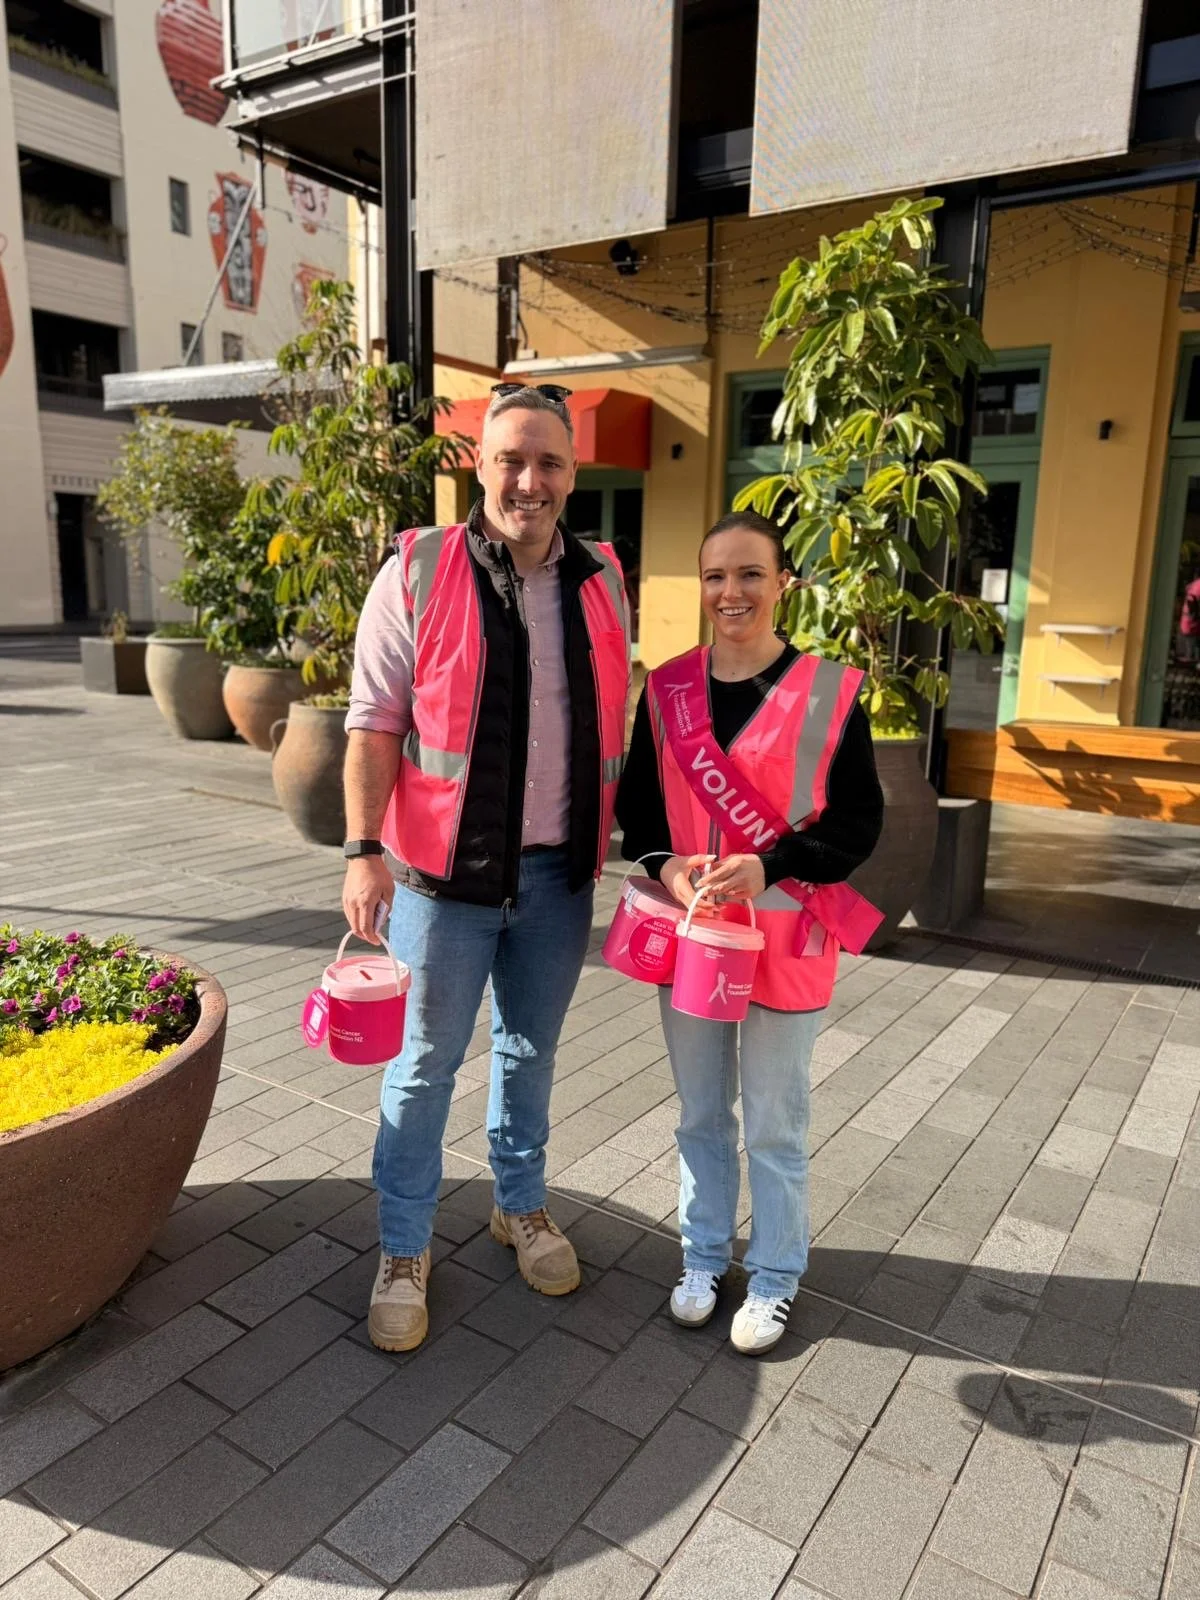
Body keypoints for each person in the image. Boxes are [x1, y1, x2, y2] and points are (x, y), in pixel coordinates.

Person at [342, 383, 630, 1352]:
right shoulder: (418, 569)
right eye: (511, 459)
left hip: (557, 879)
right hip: (439, 884)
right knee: (423, 1069)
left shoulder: (603, 577)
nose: (529, 480)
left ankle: (520, 1203)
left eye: (549, 462)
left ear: (573, 475)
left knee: (530, 1051)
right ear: (479, 465)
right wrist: (361, 851)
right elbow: (374, 722)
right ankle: (401, 1245)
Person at [616, 510, 883, 1355]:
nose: (731, 592)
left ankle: (773, 1274)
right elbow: (639, 811)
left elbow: (858, 824)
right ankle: (702, 1256)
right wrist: (667, 870)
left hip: (789, 936)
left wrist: (770, 866)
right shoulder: (667, 691)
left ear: (783, 584)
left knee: (774, 1119)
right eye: (715, 576)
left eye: (750, 575)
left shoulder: (832, 692)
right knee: (699, 1112)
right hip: (698, 940)